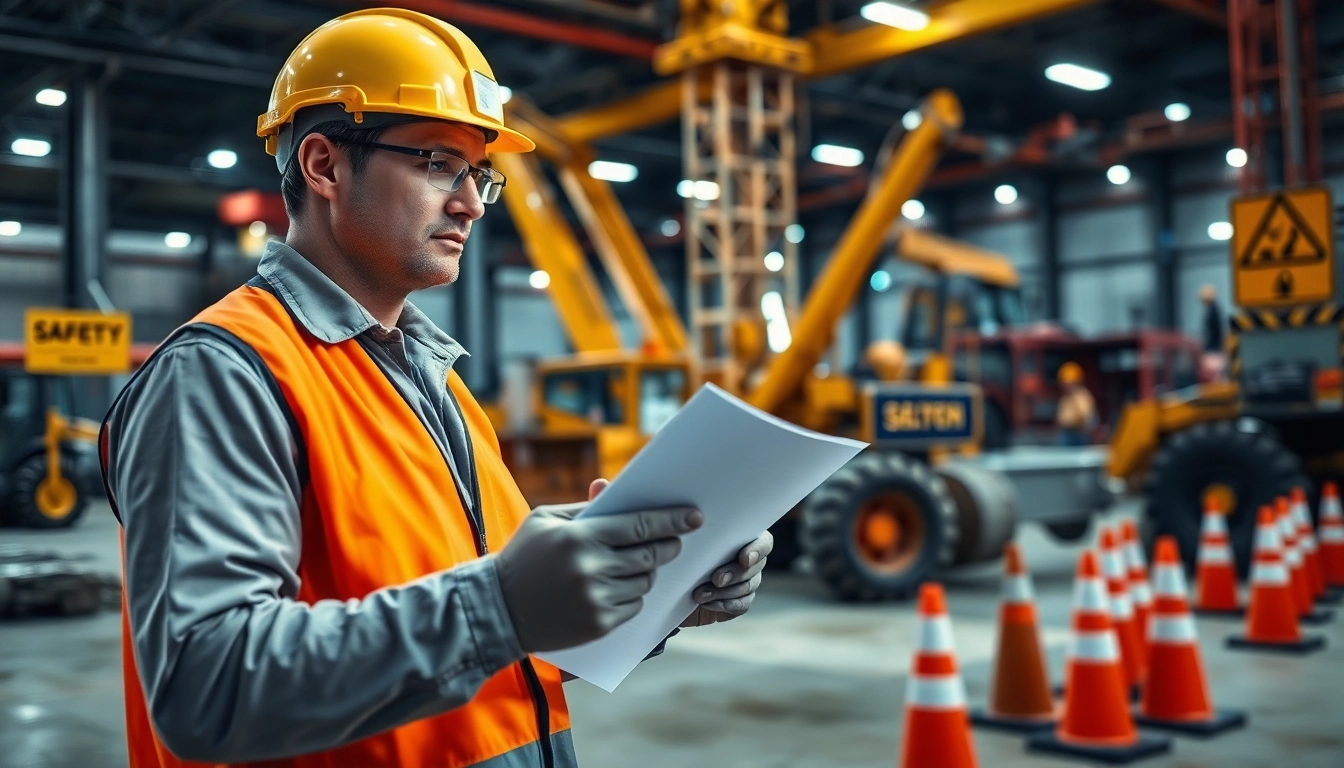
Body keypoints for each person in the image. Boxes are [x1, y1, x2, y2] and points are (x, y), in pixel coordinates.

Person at [98, 9, 773, 768]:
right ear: (323, 165)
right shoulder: (222, 376)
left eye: (479, 173)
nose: (474, 202)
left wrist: (664, 590)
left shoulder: (435, 384)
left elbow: (513, 649)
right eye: (435, 163)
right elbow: (206, 687)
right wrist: (502, 603)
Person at [1055, 361, 1096, 447]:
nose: (1064, 386)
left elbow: (1084, 416)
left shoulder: (1081, 396)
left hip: (1076, 434)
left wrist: (1068, 422)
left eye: (1067, 383)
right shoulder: (1066, 398)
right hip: (1068, 432)